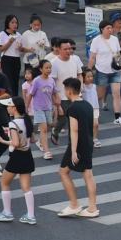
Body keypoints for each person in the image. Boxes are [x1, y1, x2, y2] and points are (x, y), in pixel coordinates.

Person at [56, 78, 99, 218]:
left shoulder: (72, 108)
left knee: (63, 172)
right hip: (88, 142)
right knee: (88, 174)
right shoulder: (87, 105)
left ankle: (74, 204)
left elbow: (74, 131)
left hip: (78, 144)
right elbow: (93, 125)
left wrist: (73, 151)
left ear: (69, 91)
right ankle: (92, 208)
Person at [0, 96, 36, 224]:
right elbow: (32, 139)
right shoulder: (26, 120)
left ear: (14, 108)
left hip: (16, 156)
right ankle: (31, 216)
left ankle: (7, 212)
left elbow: (15, 143)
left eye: (9, 106)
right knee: (26, 187)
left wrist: (2, 140)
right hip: (27, 155)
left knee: (4, 182)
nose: (7, 108)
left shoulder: (13, 123)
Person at [88, 20, 121, 126]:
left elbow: (118, 54)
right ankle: (92, 114)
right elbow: (92, 57)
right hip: (102, 71)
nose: (110, 30)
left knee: (116, 93)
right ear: (102, 29)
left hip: (115, 71)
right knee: (99, 95)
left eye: (111, 28)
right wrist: (88, 70)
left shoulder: (114, 39)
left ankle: (117, 117)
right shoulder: (96, 41)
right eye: (108, 28)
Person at [49, 39, 82, 145]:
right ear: (58, 49)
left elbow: (79, 74)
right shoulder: (54, 63)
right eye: (65, 49)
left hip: (76, 96)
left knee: (74, 122)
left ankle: (72, 144)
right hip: (62, 97)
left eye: (70, 48)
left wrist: (80, 88)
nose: (69, 51)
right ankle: (55, 131)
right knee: (63, 120)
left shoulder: (75, 60)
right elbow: (52, 82)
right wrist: (55, 99)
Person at [26, 59, 59, 160]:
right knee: (44, 129)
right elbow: (30, 95)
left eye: (50, 68)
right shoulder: (36, 81)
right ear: (41, 69)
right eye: (46, 68)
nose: (49, 70)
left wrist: (58, 106)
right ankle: (46, 151)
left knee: (49, 125)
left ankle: (41, 142)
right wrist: (26, 108)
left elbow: (54, 93)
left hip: (48, 108)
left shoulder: (51, 80)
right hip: (38, 108)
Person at [0, 15, 26, 97]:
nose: (15, 24)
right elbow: (0, 49)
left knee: (15, 81)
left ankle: (15, 100)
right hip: (7, 59)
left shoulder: (19, 35)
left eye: (16, 22)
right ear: (8, 23)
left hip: (16, 59)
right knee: (8, 81)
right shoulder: (2, 34)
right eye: (12, 22)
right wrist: (9, 42)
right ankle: (7, 100)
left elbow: (21, 49)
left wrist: (21, 48)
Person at [81, 69, 101, 148]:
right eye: (88, 77)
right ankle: (86, 139)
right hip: (86, 109)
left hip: (95, 108)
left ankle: (95, 138)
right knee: (86, 125)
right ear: (83, 78)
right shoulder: (82, 87)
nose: (90, 78)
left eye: (91, 76)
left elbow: (97, 97)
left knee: (96, 124)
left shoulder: (94, 86)